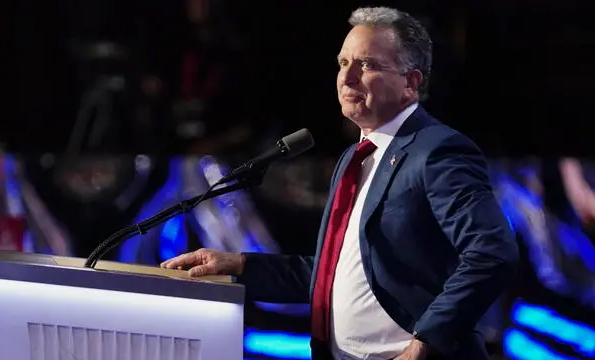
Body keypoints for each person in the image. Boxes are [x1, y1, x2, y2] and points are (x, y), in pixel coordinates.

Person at [162, 6, 518, 360]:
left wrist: (423, 344)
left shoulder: (437, 150)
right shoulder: (355, 157)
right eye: (343, 63)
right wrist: (240, 264)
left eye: (367, 65)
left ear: (411, 83)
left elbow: (491, 252)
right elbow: (333, 275)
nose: (347, 78)